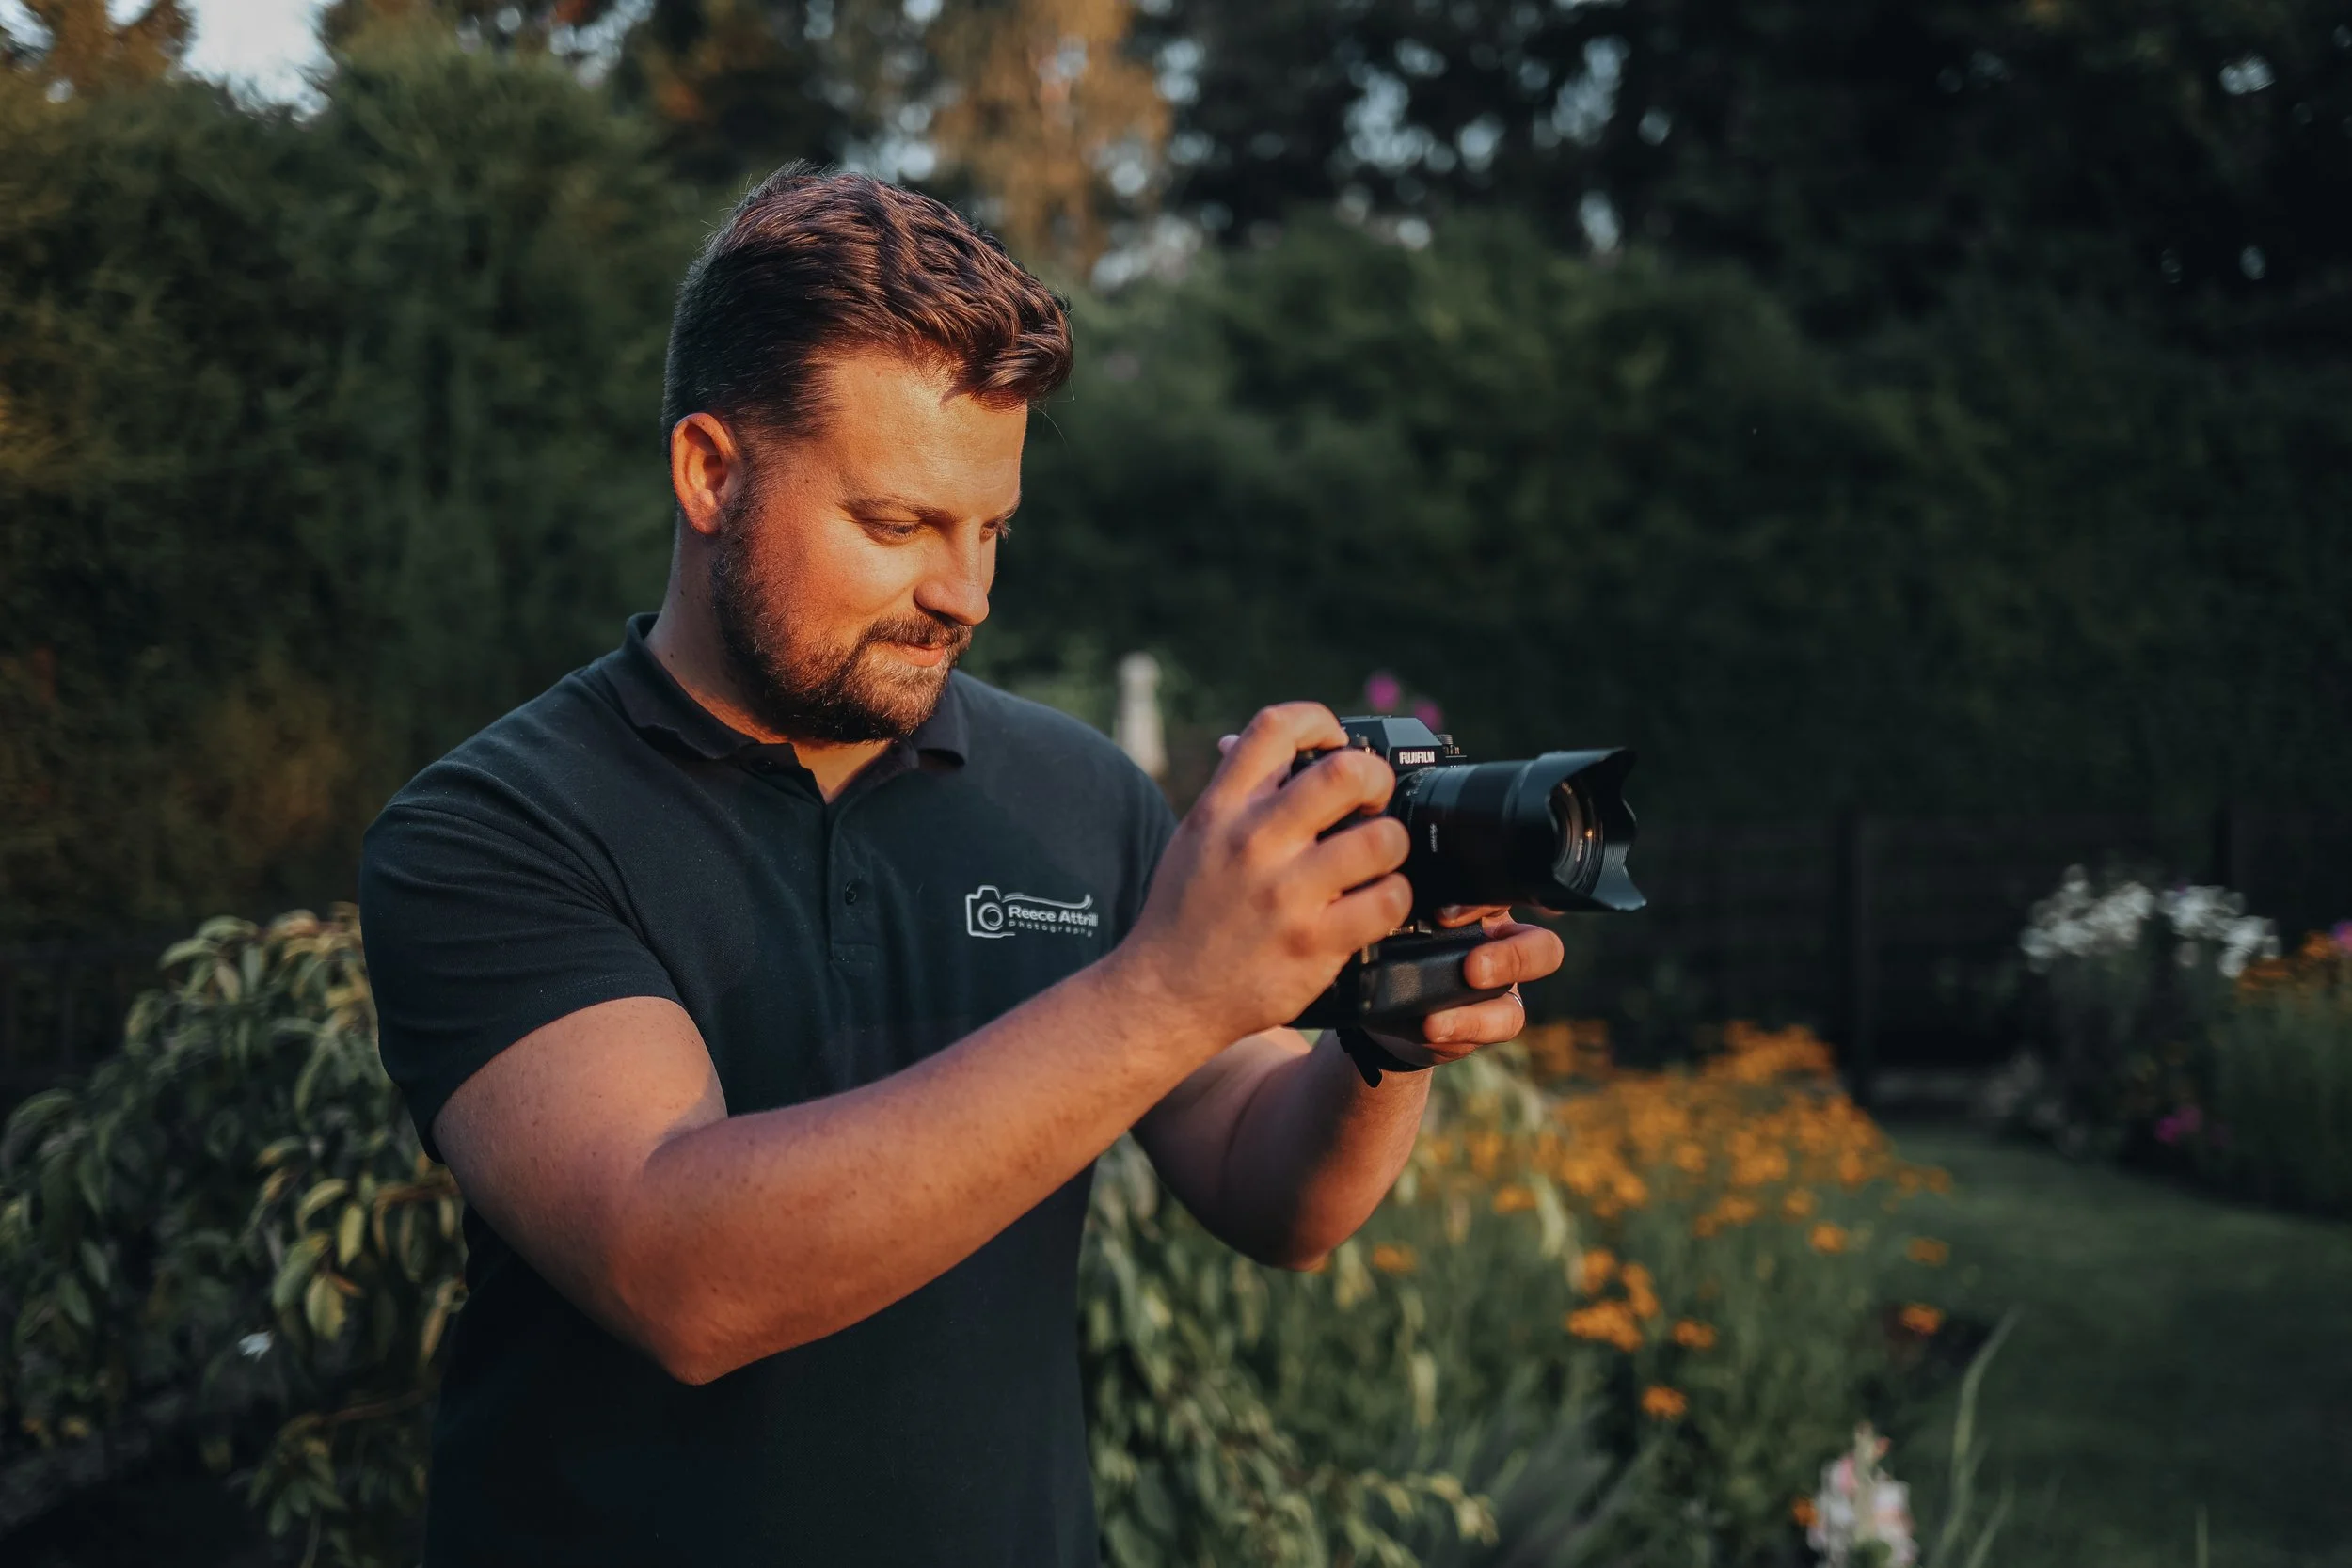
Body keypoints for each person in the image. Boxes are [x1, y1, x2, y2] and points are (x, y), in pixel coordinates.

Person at [358, 166, 1565, 1567]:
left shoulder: (1071, 792)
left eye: (990, 529)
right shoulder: (493, 828)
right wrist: (1167, 993)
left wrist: (1384, 1023)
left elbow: (1267, 1190)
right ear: (710, 471)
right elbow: (678, 1269)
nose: (967, 593)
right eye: (898, 524)